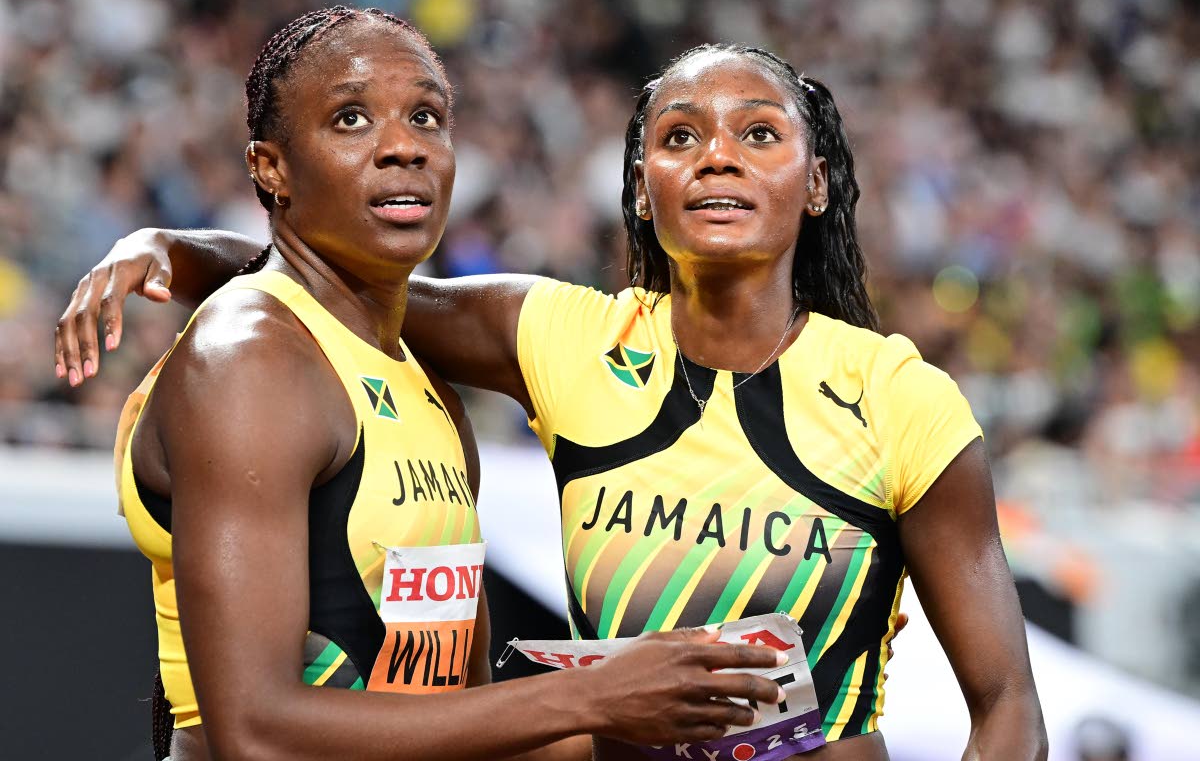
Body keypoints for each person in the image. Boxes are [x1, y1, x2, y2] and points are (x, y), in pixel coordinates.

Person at [57, 42, 1047, 759]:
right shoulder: (567, 340)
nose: (717, 157)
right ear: (642, 186)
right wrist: (164, 249)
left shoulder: (904, 397)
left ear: (818, 181)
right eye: (680, 136)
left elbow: (1008, 708)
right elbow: (330, 274)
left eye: (759, 134)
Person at [84, 9, 791, 761]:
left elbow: (456, 724)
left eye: (427, 116)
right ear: (271, 168)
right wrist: (589, 696)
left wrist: (682, 701)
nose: (403, 147)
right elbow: (255, 733)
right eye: (351, 119)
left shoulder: (427, 387)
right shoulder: (248, 357)